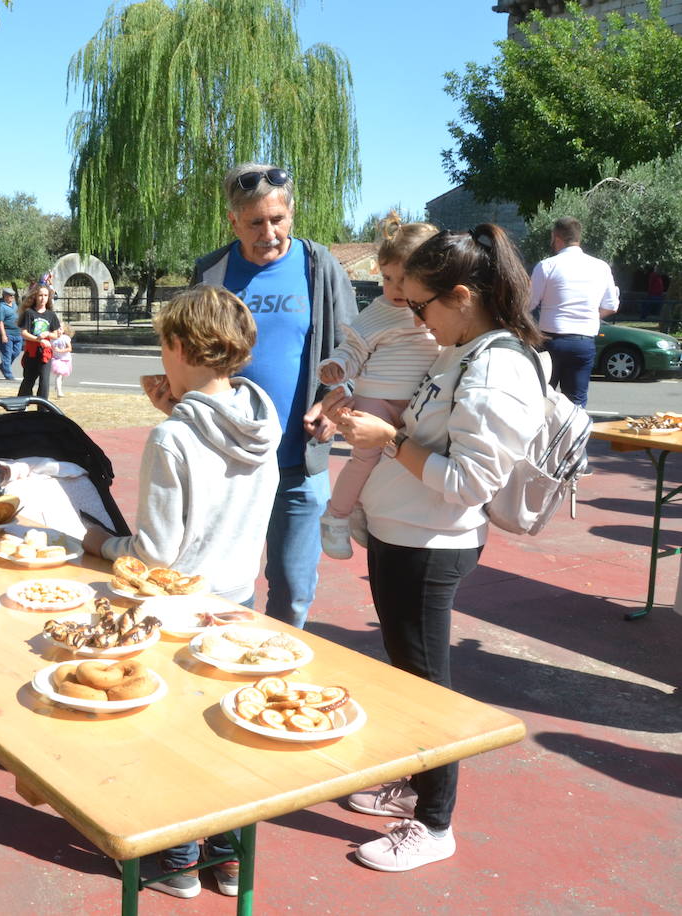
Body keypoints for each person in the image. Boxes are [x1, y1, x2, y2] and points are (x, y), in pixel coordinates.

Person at [322, 224, 545, 872]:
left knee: (427, 690)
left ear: (462, 295)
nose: (414, 318)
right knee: (408, 675)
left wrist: (386, 437)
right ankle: (417, 785)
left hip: (430, 546)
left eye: (421, 306)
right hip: (405, 538)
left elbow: (468, 483)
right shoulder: (463, 347)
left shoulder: (496, 365)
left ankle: (435, 822)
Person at [82, 285, 280, 899]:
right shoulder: (260, 419)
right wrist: (177, 409)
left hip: (178, 610)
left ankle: (175, 859)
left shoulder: (173, 439)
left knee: (169, 735)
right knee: (224, 732)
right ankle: (227, 858)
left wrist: (101, 544)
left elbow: (157, 554)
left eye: (162, 344)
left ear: (178, 346)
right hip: (238, 602)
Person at [191, 163, 356, 629]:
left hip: (300, 460)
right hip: (228, 460)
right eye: (255, 223)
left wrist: (336, 399)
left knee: (293, 590)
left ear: (291, 214)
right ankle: (227, 663)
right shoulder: (212, 272)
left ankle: (274, 675)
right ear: (233, 221)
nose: (269, 233)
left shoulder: (318, 265)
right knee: (223, 585)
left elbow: (357, 349)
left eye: (278, 219)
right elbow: (188, 353)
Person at [317, 218, 440, 559]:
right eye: (387, 278)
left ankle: (363, 507)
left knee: (400, 462)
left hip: (419, 402)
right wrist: (337, 367)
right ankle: (335, 516)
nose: (395, 288)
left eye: (404, 279)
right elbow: (354, 348)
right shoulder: (379, 311)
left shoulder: (434, 310)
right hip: (376, 399)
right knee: (365, 458)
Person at [528, 216, 618, 408]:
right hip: (583, 342)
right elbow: (611, 305)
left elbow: (528, 303)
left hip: (550, 340)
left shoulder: (547, 266)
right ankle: (574, 438)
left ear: (556, 236)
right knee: (576, 401)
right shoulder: (601, 267)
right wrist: (590, 316)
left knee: (541, 398)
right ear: (579, 238)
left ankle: (543, 438)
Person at [16, 283, 61, 399]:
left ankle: (42, 410)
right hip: (31, 353)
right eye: (40, 295)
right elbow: (24, 333)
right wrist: (38, 339)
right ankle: (20, 406)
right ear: (35, 296)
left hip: (45, 353)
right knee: (28, 381)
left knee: (44, 382)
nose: (43, 298)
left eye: (46, 295)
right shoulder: (29, 313)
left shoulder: (51, 315)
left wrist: (48, 334)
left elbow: (56, 334)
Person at [0, 288, 21, 380]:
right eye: (10, 295)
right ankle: (8, 374)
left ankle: (3, 366)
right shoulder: (2, 307)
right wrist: (3, 335)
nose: (12, 297)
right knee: (7, 354)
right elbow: (0, 322)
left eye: (13, 295)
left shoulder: (15, 305)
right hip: (7, 333)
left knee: (17, 352)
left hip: (17, 333)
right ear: (5, 296)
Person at [50, 326, 75, 398]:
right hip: (57, 359)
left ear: (64, 330)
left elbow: (69, 348)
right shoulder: (52, 339)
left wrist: (60, 350)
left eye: (60, 329)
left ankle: (58, 386)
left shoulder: (65, 338)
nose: (58, 331)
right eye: (57, 329)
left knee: (63, 375)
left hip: (66, 359)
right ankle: (59, 392)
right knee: (59, 375)